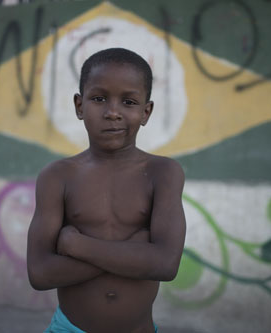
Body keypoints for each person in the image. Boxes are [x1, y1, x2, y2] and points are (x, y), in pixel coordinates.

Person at [27, 48, 186, 333]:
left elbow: (165, 264)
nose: (112, 112)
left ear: (145, 111)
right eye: (99, 99)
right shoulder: (57, 176)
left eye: (128, 101)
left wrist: (78, 247)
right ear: (79, 106)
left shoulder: (163, 173)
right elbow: (39, 273)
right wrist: (136, 253)